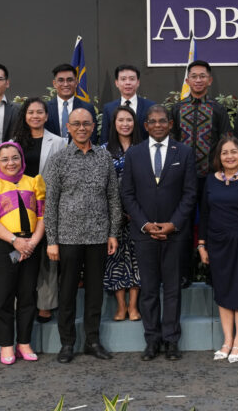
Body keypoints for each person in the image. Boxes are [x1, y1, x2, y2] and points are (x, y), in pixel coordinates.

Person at [44, 108, 123, 363]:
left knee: (94, 293)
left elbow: (113, 197)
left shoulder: (104, 158)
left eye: (86, 124)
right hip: (67, 237)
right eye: (76, 124)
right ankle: (67, 343)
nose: (81, 128)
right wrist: (52, 240)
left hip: (98, 236)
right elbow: (50, 203)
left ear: (93, 127)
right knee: (66, 292)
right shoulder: (58, 160)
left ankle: (92, 341)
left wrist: (113, 233)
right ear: (68, 127)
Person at [120, 105, 198, 361]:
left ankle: (171, 340)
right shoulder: (134, 154)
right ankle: (152, 340)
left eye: (162, 121)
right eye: (152, 121)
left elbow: (189, 194)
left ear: (171, 123)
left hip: (175, 233)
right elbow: (127, 194)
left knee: (173, 289)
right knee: (150, 290)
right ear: (145, 125)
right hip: (144, 233)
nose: (157, 125)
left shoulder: (184, 152)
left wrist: (172, 224)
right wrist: (145, 224)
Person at [0, 141, 45, 365]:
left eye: (15, 157)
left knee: (27, 295)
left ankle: (24, 342)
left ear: (22, 158)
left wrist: (31, 243)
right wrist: (16, 241)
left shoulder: (33, 182)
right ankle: (6, 345)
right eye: (4, 159)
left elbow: (43, 216)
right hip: (3, 245)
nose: (10, 163)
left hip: (31, 244)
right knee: (4, 297)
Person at [198, 135, 238, 363]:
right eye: (224, 152)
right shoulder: (211, 180)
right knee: (224, 294)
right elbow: (204, 215)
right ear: (219, 156)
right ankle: (226, 341)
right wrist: (202, 244)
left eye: (233, 152)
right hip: (217, 245)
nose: (229, 156)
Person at [171, 60, 231, 285]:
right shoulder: (177, 109)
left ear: (209, 80)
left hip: (212, 178)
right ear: (187, 80)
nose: (198, 80)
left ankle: (212, 273)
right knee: (182, 225)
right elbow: (172, 144)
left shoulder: (217, 109)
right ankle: (184, 273)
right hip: (183, 180)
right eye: (193, 76)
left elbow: (227, 141)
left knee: (213, 224)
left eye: (202, 76)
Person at [11, 97, 65, 323]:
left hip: (49, 203)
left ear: (46, 115)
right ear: (25, 116)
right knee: (21, 252)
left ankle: (46, 303)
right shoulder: (14, 142)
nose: (35, 116)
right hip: (19, 206)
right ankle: (21, 301)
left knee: (47, 254)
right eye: (31, 112)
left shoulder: (60, 142)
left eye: (39, 112)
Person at [100, 105, 142, 322]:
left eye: (129, 120)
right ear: (114, 124)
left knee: (136, 259)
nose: (125, 124)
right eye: (120, 120)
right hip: (113, 215)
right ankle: (121, 305)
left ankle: (134, 305)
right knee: (115, 259)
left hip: (138, 214)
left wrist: (135, 211)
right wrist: (117, 212)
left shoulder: (143, 147)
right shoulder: (104, 150)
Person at [99, 64, 155, 144]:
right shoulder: (109, 108)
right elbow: (105, 137)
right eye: (123, 79)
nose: (128, 83)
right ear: (116, 83)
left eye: (132, 79)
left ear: (138, 82)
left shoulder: (150, 106)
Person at [45, 63, 97, 143]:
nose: (65, 84)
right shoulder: (45, 108)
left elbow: (92, 138)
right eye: (61, 80)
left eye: (69, 80)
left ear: (76, 82)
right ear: (54, 84)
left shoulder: (87, 108)